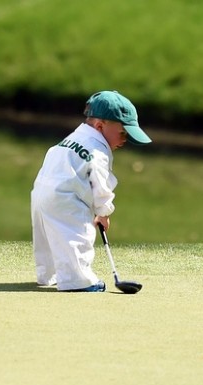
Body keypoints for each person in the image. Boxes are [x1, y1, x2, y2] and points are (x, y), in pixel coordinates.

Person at [31, 90, 151, 292]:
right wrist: (103, 212)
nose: (125, 140)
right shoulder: (97, 150)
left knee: (48, 239)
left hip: (41, 194)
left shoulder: (71, 139)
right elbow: (101, 185)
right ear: (100, 126)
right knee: (78, 236)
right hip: (66, 199)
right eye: (123, 133)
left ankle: (48, 275)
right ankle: (79, 281)